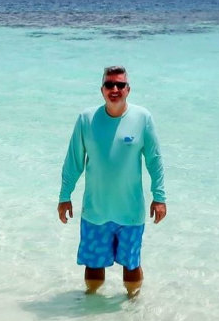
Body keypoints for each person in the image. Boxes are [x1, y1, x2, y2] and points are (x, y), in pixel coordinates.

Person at [57, 65, 167, 297]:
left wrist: (159, 198)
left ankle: (133, 311)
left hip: (130, 212)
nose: (114, 89)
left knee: (131, 267)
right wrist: (64, 196)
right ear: (102, 89)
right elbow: (73, 161)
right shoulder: (86, 119)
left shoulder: (142, 118)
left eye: (120, 85)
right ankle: (91, 311)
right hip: (95, 212)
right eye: (109, 84)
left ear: (128, 89)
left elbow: (154, 161)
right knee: (93, 270)